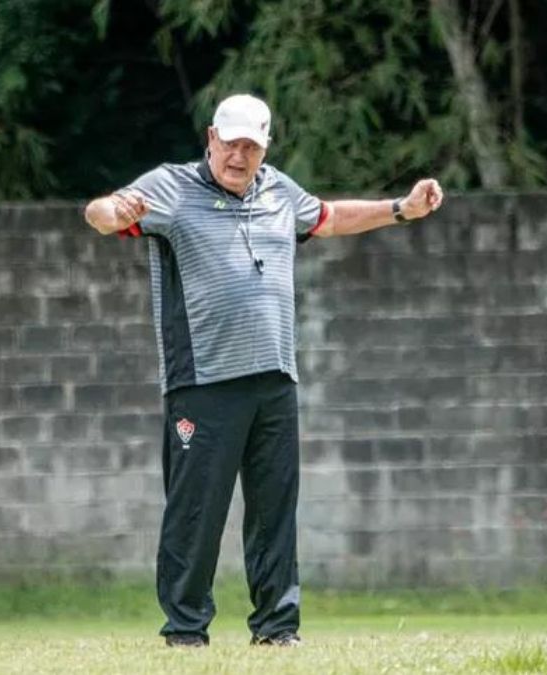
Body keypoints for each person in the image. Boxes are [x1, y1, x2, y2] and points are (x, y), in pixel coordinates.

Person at [83, 94, 443, 647]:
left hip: (275, 378)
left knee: (275, 510)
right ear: (211, 138)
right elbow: (100, 212)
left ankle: (277, 628)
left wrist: (400, 208)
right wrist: (114, 213)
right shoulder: (172, 188)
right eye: (230, 143)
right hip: (202, 381)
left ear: (265, 147)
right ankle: (185, 630)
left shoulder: (279, 190)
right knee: (196, 511)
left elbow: (327, 217)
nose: (238, 155)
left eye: (251, 145)